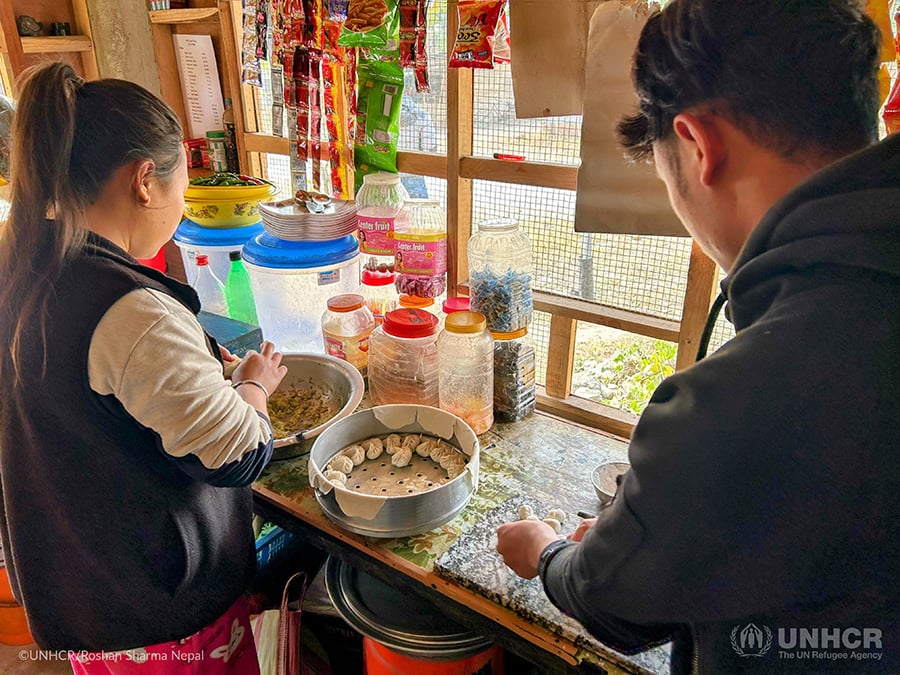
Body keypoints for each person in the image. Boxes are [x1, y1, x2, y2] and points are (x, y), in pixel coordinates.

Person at [496, 1, 900, 672]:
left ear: (698, 145)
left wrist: (546, 551)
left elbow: (617, 600)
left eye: (662, 174)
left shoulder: (739, 398)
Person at [0, 63, 288, 673]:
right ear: (144, 182)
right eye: (183, 192)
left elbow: (97, 409)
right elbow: (238, 455)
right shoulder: (129, 312)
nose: (181, 207)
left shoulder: (20, 260)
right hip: (159, 614)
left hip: (84, 594)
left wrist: (205, 374)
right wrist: (255, 387)